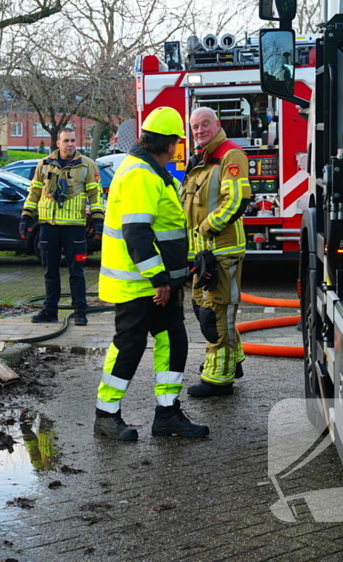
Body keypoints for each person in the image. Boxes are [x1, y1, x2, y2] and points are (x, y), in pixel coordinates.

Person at [94, 108, 208, 440]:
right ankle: (105, 415)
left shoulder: (152, 172)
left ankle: (167, 414)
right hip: (140, 285)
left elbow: (168, 229)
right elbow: (138, 235)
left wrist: (189, 262)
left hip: (158, 285)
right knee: (128, 348)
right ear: (171, 144)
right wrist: (159, 280)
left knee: (173, 342)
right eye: (176, 143)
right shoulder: (141, 175)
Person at [181, 106, 253, 397]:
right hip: (203, 254)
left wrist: (206, 228)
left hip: (223, 250)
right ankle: (230, 360)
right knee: (203, 309)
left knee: (216, 315)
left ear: (217, 124)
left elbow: (236, 200)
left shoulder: (229, 155)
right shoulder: (201, 158)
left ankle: (218, 380)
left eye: (205, 124)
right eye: (195, 126)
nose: (200, 130)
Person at [20, 127, 105, 326]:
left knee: (77, 271)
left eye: (73, 140)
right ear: (57, 143)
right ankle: (50, 311)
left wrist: (99, 220)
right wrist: (26, 216)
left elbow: (95, 195)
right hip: (48, 226)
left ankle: (80, 312)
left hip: (75, 227)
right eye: (66, 140)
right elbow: (34, 192)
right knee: (50, 271)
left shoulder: (87, 165)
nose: (70, 144)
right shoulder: (44, 164)